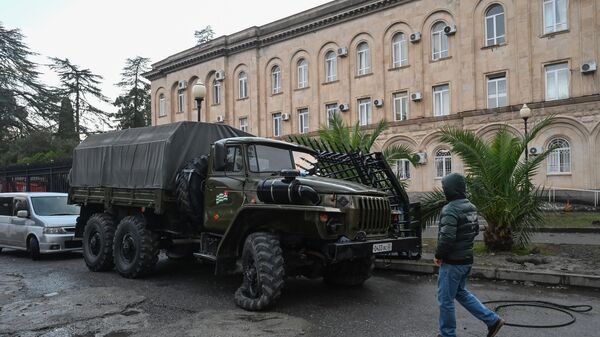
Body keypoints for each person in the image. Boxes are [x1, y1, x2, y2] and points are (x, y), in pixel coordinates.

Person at [434, 173, 505, 337]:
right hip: (466, 260)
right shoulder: (471, 206)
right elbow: (474, 230)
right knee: (460, 293)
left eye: (445, 188)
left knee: (445, 300)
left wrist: (439, 255)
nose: (444, 191)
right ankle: (492, 320)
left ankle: (447, 335)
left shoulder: (450, 209)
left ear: (451, 189)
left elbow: (447, 238)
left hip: (452, 263)